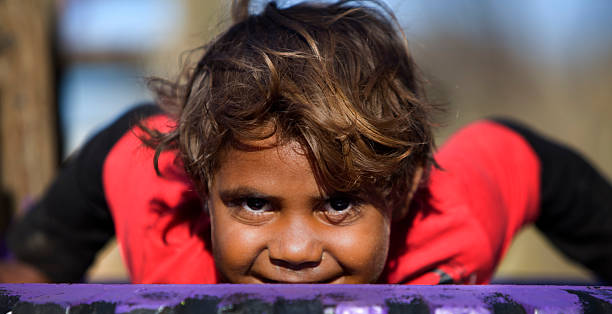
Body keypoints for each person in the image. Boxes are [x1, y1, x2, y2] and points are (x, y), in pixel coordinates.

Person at [1, 0, 611, 284]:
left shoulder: (454, 220)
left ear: (402, 191)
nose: (295, 250)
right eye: (255, 205)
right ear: (201, 186)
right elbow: (129, 143)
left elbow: (523, 160)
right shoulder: (165, 218)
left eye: (339, 203)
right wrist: (34, 272)